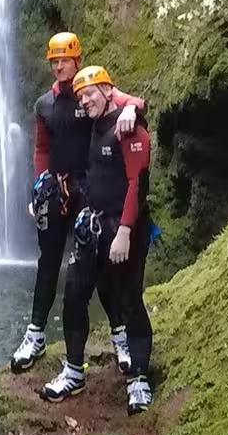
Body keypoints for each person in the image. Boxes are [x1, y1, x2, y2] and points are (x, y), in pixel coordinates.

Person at [11, 33, 145, 376]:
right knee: (49, 262)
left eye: (64, 60)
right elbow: (42, 149)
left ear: (77, 60)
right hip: (58, 189)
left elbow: (131, 101)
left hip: (90, 189)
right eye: (54, 61)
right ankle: (36, 333)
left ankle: (120, 336)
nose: (59, 66)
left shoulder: (92, 94)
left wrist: (131, 106)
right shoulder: (45, 105)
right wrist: (39, 187)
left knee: (97, 265)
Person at [39, 68, 156, 414]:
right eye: (80, 96)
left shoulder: (128, 126)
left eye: (91, 93)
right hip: (93, 224)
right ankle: (74, 371)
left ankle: (139, 379)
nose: (85, 100)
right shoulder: (91, 124)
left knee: (129, 300)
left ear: (107, 89)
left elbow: (136, 183)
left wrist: (124, 231)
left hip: (124, 228)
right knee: (74, 294)